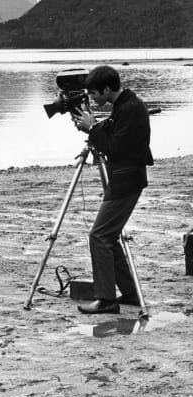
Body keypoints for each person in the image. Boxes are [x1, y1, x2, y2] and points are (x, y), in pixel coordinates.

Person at [73, 65, 154, 314]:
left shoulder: (130, 108)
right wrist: (93, 129)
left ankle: (106, 300)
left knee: (98, 236)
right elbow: (115, 137)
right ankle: (129, 292)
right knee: (109, 236)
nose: (92, 97)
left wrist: (93, 129)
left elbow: (115, 149)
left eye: (94, 93)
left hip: (125, 181)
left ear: (107, 89)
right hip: (124, 179)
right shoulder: (125, 105)